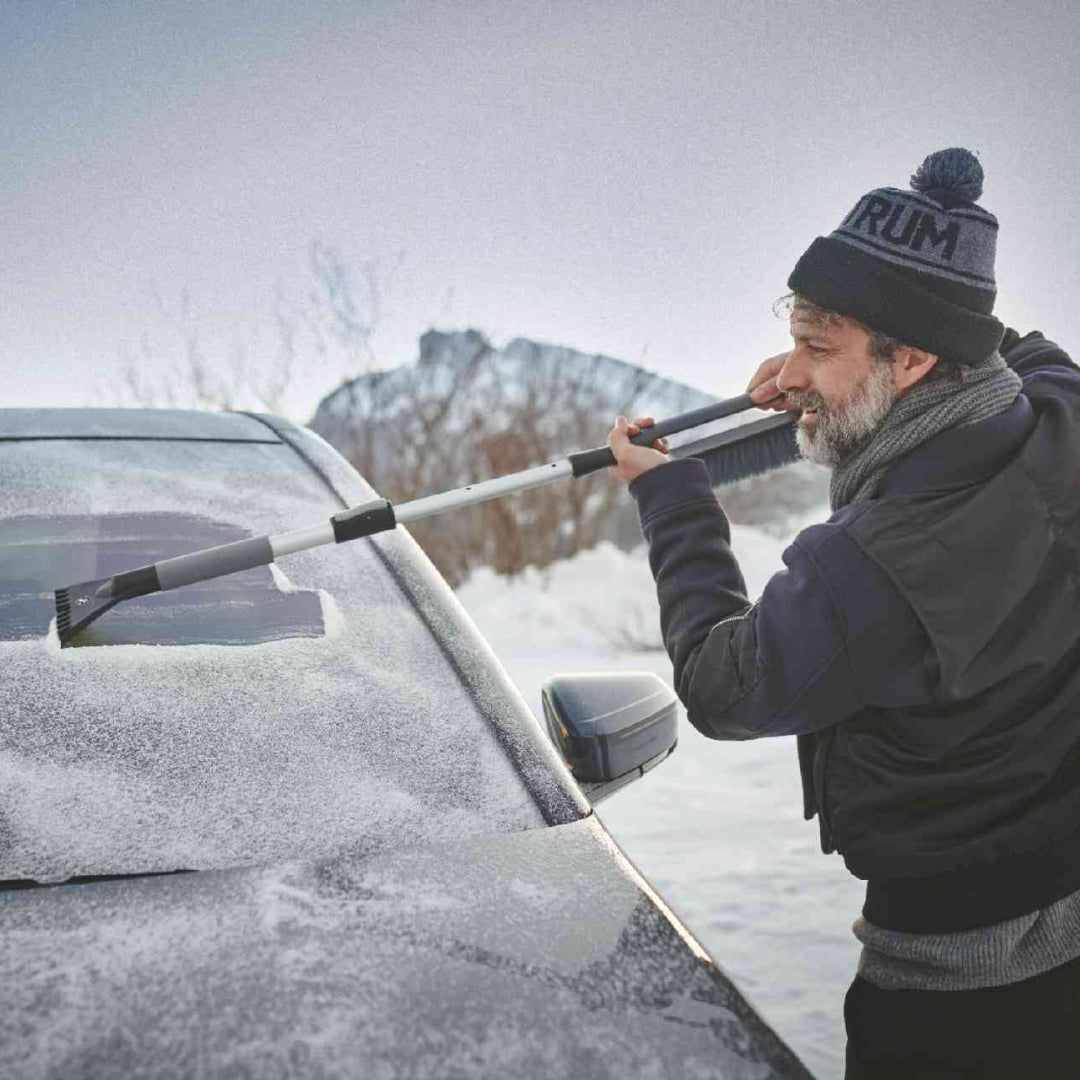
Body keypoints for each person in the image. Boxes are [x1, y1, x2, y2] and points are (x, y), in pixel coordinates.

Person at [605, 147, 1080, 1079]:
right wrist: (817, 378)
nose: (791, 368)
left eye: (821, 347)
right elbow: (1024, 351)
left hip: (954, 996)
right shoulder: (1059, 424)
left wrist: (673, 501)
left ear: (911, 359)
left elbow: (722, 683)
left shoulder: (869, 567)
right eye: (796, 338)